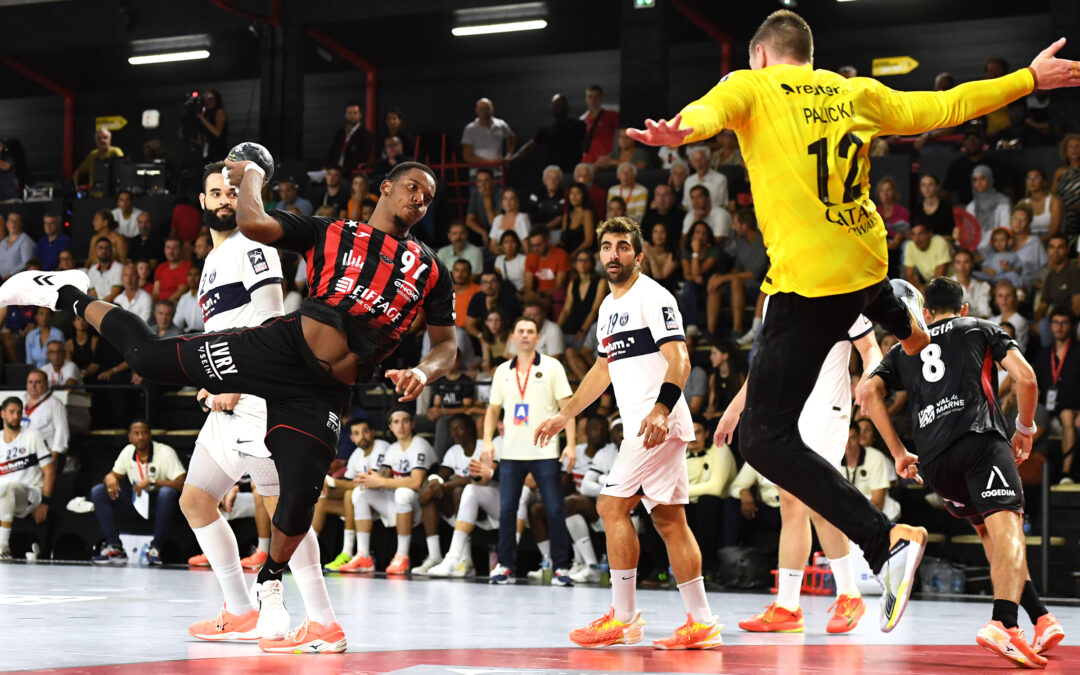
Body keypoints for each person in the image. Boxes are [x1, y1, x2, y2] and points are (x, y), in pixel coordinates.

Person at [626, 9, 1080, 632]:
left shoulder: (751, 84)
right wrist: (1028, 78)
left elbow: (708, 111)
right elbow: (946, 106)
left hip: (811, 283)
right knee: (883, 313)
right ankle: (911, 330)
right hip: (867, 269)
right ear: (808, 56)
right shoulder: (852, 91)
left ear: (760, 54)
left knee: (762, 438)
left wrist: (683, 131)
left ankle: (883, 540)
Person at [0, 158, 458, 646]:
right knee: (164, 400)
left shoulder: (430, 268)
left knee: (295, 498)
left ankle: (289, 603)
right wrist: (255, 171)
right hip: (270, 362)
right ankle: (70, 295)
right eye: (412, 187)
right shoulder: (328, 233)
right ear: (385, 188)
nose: (419, 199)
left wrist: (422, 371)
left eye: (428, 197)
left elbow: (446, 346)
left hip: (305, 389)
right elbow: (253, 225)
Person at [534, 217, 721, 649]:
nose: (613, 254)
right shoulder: (607, 308)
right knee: (670, 521)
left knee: (610, 506)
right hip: (647, 427)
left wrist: (660, 409)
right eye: (606, 246)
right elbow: (602, 370)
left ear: (638, 255)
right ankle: (702, 623)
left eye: (622, 247)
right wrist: (565, 415)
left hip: (657, 425)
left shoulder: (653, 297)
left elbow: (680, 360)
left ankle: (623, 618)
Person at [176, 161, 339, 650]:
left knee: (280, 506)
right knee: (195, 499)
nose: (225, 200)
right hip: (224, 400)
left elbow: (271, 317)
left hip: (254, 397)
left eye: (232, 192)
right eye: (216, 193)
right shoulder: (212, 260)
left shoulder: (253, 245)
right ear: (202, 202)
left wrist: (241, 380)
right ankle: (239, 610)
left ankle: (324, 621)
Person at [862, 277, 1064, 667]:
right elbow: (1026, 379)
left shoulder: (905, 346)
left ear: (924, 313)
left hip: (935, 463)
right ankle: (1004, 623)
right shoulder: (980, 327)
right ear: (964, 308)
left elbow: (868, 393)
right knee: (1009, 528)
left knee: (989, 531)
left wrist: (899, 452)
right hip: (979, 441)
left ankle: (1040, 617)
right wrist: (1024, 429)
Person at [717, 306, 883, 635]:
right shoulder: (775, 298)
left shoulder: (841, 291)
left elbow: (870, 349)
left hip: (826, 409)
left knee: (818, 499)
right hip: (786, 409)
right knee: (790, 503)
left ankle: (850, 595)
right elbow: (763, 364)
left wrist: (868, 375)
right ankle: (788, 607)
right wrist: (735, 409)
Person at [481, 315, 575, 585]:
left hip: (545, 452)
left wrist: (570, 444)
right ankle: (506, 566)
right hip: (511, 453)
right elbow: (492, 410)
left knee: (554, 510)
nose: (524, 335)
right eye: (520, 331)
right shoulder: (502, 371)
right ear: (512, 337)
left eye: (530, 331)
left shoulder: (552, 366)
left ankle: (561, 567)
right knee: (507, 511)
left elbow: (567, 409)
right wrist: (487, 441)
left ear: (537, 337)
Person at [338, 409, 434, 574]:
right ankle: (364, 556)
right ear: (390, 427)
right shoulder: (393, 448)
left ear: (412, 424)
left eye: (405, 421)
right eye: (396, 422)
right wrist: (369, 480)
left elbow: (416, 482)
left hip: (422, 504)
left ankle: (402, 557)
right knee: (360, 493)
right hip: (398, 505)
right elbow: (380, 478)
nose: (400, 426)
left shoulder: (420, 444)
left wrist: (380, 481)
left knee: (402, 493)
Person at [90, 421, 185, 566]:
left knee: (167, 493)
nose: (140, 437)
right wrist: (109, 478)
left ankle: (155, 549)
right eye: (136, 433)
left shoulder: (165, 452)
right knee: (98, 491)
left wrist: (153, 482)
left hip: (158, 503)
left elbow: (183, 483)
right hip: (136, 500)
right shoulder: (128, 451)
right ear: (130, 438)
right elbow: (113, 475)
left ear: (150, 435)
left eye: (144, 433)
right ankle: (115, 547)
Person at [412, 413, 480, 574]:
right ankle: (434, 556)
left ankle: (466, 561)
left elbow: (476, 479)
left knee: (459, 492)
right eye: (452, 430)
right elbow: (441, 474)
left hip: (483, 504)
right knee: (429, 496)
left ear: (470, 429)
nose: (454, 433)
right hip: (459, 504)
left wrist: (444, 485)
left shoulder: (483, 447)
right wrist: (432, 484)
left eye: (459, 428)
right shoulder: (453, 451)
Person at [318, 418, 390, 571]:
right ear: (351, 438)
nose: (362, 436)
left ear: (372, 432)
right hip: (362, 504)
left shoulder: (382, 447)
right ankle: (303, 550)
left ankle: (347, 552)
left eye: (365, 431)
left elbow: (369, 483)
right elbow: (347, 484)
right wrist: (326, 489)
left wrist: (331, 481)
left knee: (350, 494)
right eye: (357, 433)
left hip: (383, 502)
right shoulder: (356, 454)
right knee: (322, 500)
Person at [0, 396, 53, 560]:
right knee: (5, 489)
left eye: (19, 413)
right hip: (3, 495)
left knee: (10, 487)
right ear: (2, 414)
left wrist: (45, 503)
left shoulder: (33, 436)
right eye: (11, 412)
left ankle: (3, 547)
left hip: (30, 495)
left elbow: (50, 470)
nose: (16, 416)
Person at [1034, 309, 1080, 480]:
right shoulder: (1043, 354)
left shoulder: (1078, 351)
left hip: (1073, 408)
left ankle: (1065, 473)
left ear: (1072, 326)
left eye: (1064, 322)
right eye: (1055, 322)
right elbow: (1036, 386)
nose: (1059, 327)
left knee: (1067, 415)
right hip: (1046, 408)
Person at [558, 251, 607, 381]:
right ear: (575, 264)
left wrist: (583, 329)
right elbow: (566, 309)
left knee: (579, 351)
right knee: (563, 349)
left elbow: (595, 308)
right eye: (580, 260)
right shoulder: (573, 283)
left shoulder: (600, 281)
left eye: (586, 260)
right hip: (572, 326)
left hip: (591, 329)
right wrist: (557, 328)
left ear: (592, 264)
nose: (583, 263)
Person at [507, 94, 586, 174]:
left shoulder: (578, 125)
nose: (559, 108)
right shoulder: (547, 128)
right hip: (553, 174)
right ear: (552, 108)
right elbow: (531, 146)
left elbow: (587, 145)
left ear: (567, 107)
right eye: (556, 106)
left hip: (574, 172)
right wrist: (513, 158)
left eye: (561, 105)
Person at [461, 97, 515, 173]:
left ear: (492, 109)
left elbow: (511, 136)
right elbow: (467, 156)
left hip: (497, 172)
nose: (485, 111)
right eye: (482, 109)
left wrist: (509, 155)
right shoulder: (470, 129)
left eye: (487, 108)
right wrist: (491, 162)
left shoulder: (501, 125)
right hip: (477, 173)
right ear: (477, 110)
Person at [967, 165, 1012, 255]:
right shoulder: (972, 206)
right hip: (975, 250)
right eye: (975, 180)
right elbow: (969, 232)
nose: (979, 183)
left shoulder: (1003, 202)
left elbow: (1005, 229)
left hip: (997, 248)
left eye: (982, 178)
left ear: (990, 179)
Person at [327, 102, 374, 175]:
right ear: (345, 115)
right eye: (349, 113)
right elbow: (332, 152)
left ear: (360, 115)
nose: (352, 116)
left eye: (355, 113)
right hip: (334, 170)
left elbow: (362, 157)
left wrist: (343, 170)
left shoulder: (365, 135)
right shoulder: (340, 133)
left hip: (351, 172)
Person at [1019, 168, 1061, 243]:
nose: (1032, 181)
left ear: (1044, 182)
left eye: (1036, 178)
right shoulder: (1022, 203)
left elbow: (1054, 231)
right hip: (1029, 241)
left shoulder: (1054, 201)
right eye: (1029, 178)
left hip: (1049, 241)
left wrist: (1036, 243)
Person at [581, 85, 619, 164]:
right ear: (586, 99)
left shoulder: (611, 115)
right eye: (590, 97)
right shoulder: (583, 119)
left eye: (596, 96)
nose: (593, 100)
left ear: (601, 99)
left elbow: (622, 134)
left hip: (605, 159)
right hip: (587, 159)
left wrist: (614, 155)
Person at [950, 248, 993, 319]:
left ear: (972, 264)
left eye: (966, 262)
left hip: (980, 323)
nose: (962, 266)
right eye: (958, 262)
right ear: (954, 265)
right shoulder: (947, 287)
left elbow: (985, 312)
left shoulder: (982, 286)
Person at [465, 168, 502, 248]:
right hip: (485, 229)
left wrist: (487, 198)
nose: (483, 184)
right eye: (479, 181)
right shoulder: (476, 193)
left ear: (493, 182)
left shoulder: (500, 194)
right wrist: (482, 232)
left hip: (499, 228)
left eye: (486, 180)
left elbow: (493, 222)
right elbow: (468, 220)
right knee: (466, 231)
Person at [559, 183, 596, 259]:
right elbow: (563, 240)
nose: (574, 197)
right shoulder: (566, 215)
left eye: (578, 193)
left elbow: (588, 241)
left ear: (583, 195)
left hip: (584, 255)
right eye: (571, 193)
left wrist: (573, 255)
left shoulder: (587, 213)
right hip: (567, 255)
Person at [488, 188, 531, 252]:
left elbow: (526, 248)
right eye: (505, 198)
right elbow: (492, 246)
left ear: (517, 201)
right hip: (500, 255)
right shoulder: (497, 219)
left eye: (512, 198)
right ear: (502, 202)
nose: (508, 201)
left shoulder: (522, 218)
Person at [152, 238, 191, 304]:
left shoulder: (187, 266)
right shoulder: (161, 267)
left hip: (176, 304)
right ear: (164, 250)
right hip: (159, 306)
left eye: (175, 248)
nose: (171, 252)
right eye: (168, 248)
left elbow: (181, 291)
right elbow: (155, 293)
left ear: (181, 250)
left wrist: (164, 305)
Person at [0, 212, 35, 281]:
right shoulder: (3, 242)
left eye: (16, 221)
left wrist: (10, 274)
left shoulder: (25, 241)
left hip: (17, 280)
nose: (13, 223)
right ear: (7, 224)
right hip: (2, 280)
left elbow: (27, 262)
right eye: (11, 220)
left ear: (21, 225)